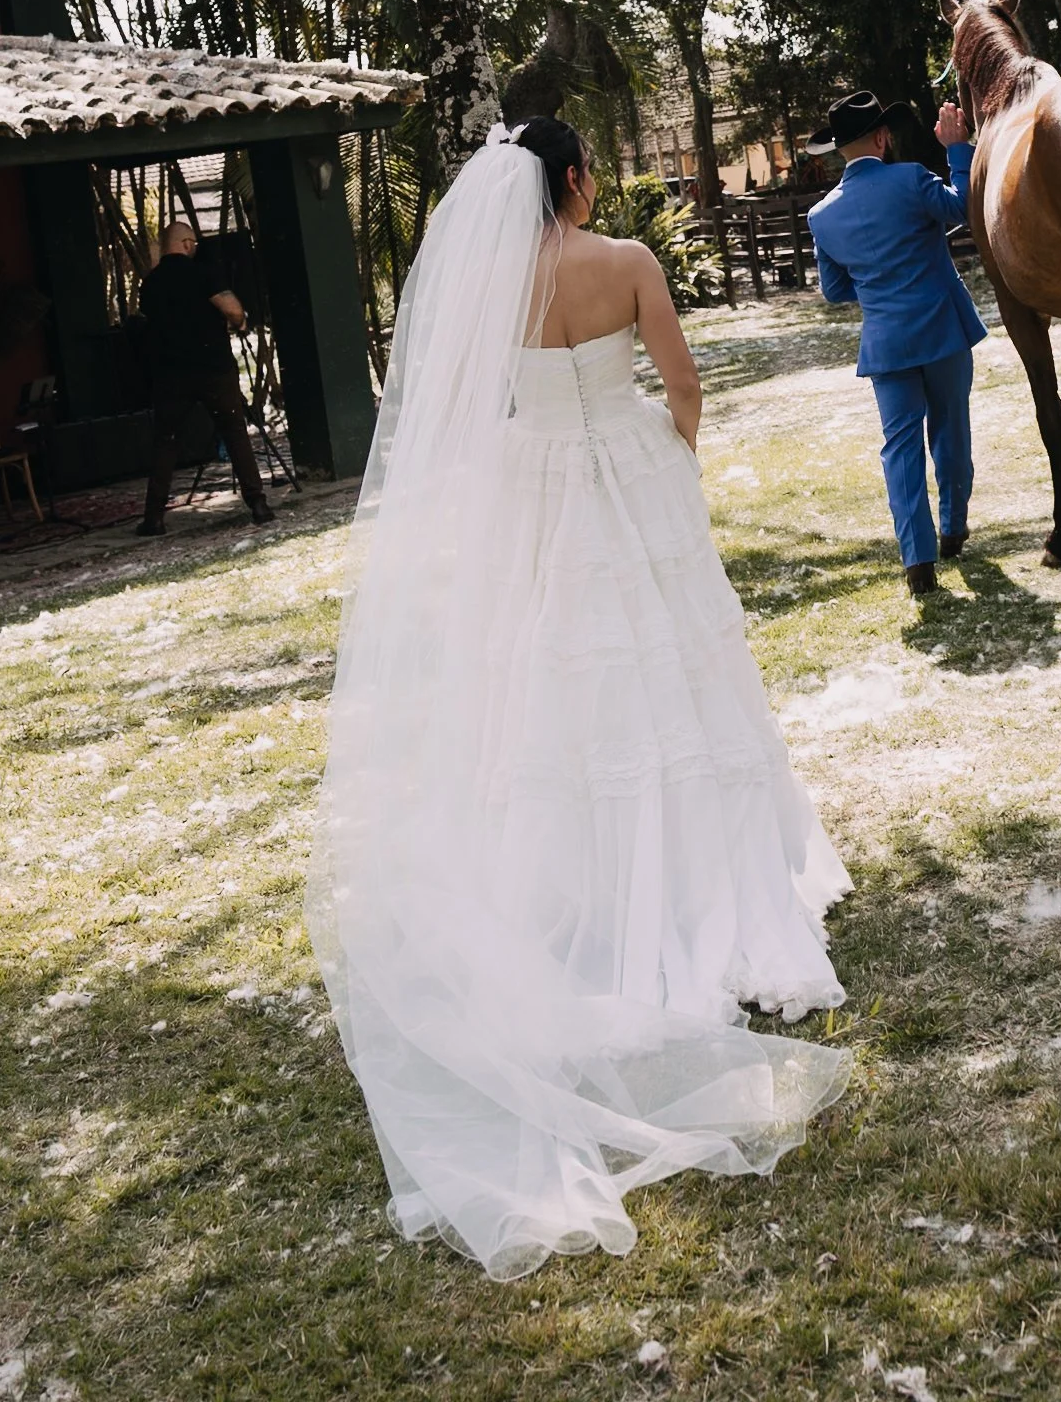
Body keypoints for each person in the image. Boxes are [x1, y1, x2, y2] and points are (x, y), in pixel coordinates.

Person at [310, 118, 849, 1279]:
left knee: (556, 679)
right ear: (576, 177)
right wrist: (672, 454)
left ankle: (581, 886)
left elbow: (472, 407)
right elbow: (686, 382)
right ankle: (709, 884)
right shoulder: (629, 263)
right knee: (672, 666)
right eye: (593, 164)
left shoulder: (487, 288)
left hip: (536, 484)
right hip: (627, 465)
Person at [806, 89, 985, 598]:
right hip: (942, 329)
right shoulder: (910, 179)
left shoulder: (822, 216)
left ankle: (917, 563)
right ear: (884, 138)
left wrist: (875, 277)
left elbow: (836, 290)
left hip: (886, 344)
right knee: (950, 429)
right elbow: (962, 209)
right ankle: (953, 530)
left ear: (841, 149)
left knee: (900, 449)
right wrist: (956, 148)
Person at [136, 218, 272, 535]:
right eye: (193, 243)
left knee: (166, 442)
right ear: (186, 244)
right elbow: (232, 309)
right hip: (213, 367)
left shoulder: (151, 283)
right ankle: (258, 503)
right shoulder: (202, 272)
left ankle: (154, 517)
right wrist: (239, 323)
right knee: (235, 432)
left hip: (171, 373)